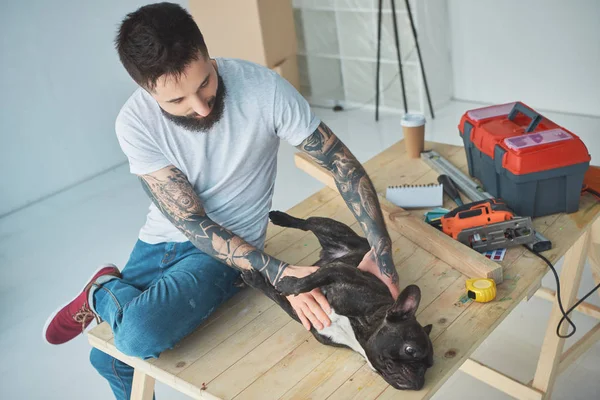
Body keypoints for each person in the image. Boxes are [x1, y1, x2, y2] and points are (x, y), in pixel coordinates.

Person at [43, 2, 399, 399]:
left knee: (135, 335)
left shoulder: (264, 89)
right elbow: (192, 222)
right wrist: (279, 273)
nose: (199, 107)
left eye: (204, 83)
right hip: (162, 239)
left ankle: (104, 292)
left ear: (207, 55)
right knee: (114, 355)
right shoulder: (133, 122)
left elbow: (342, 165)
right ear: (147, 90)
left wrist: (381, 251)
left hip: (225, 250)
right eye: (176, 102)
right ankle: (103, 289)